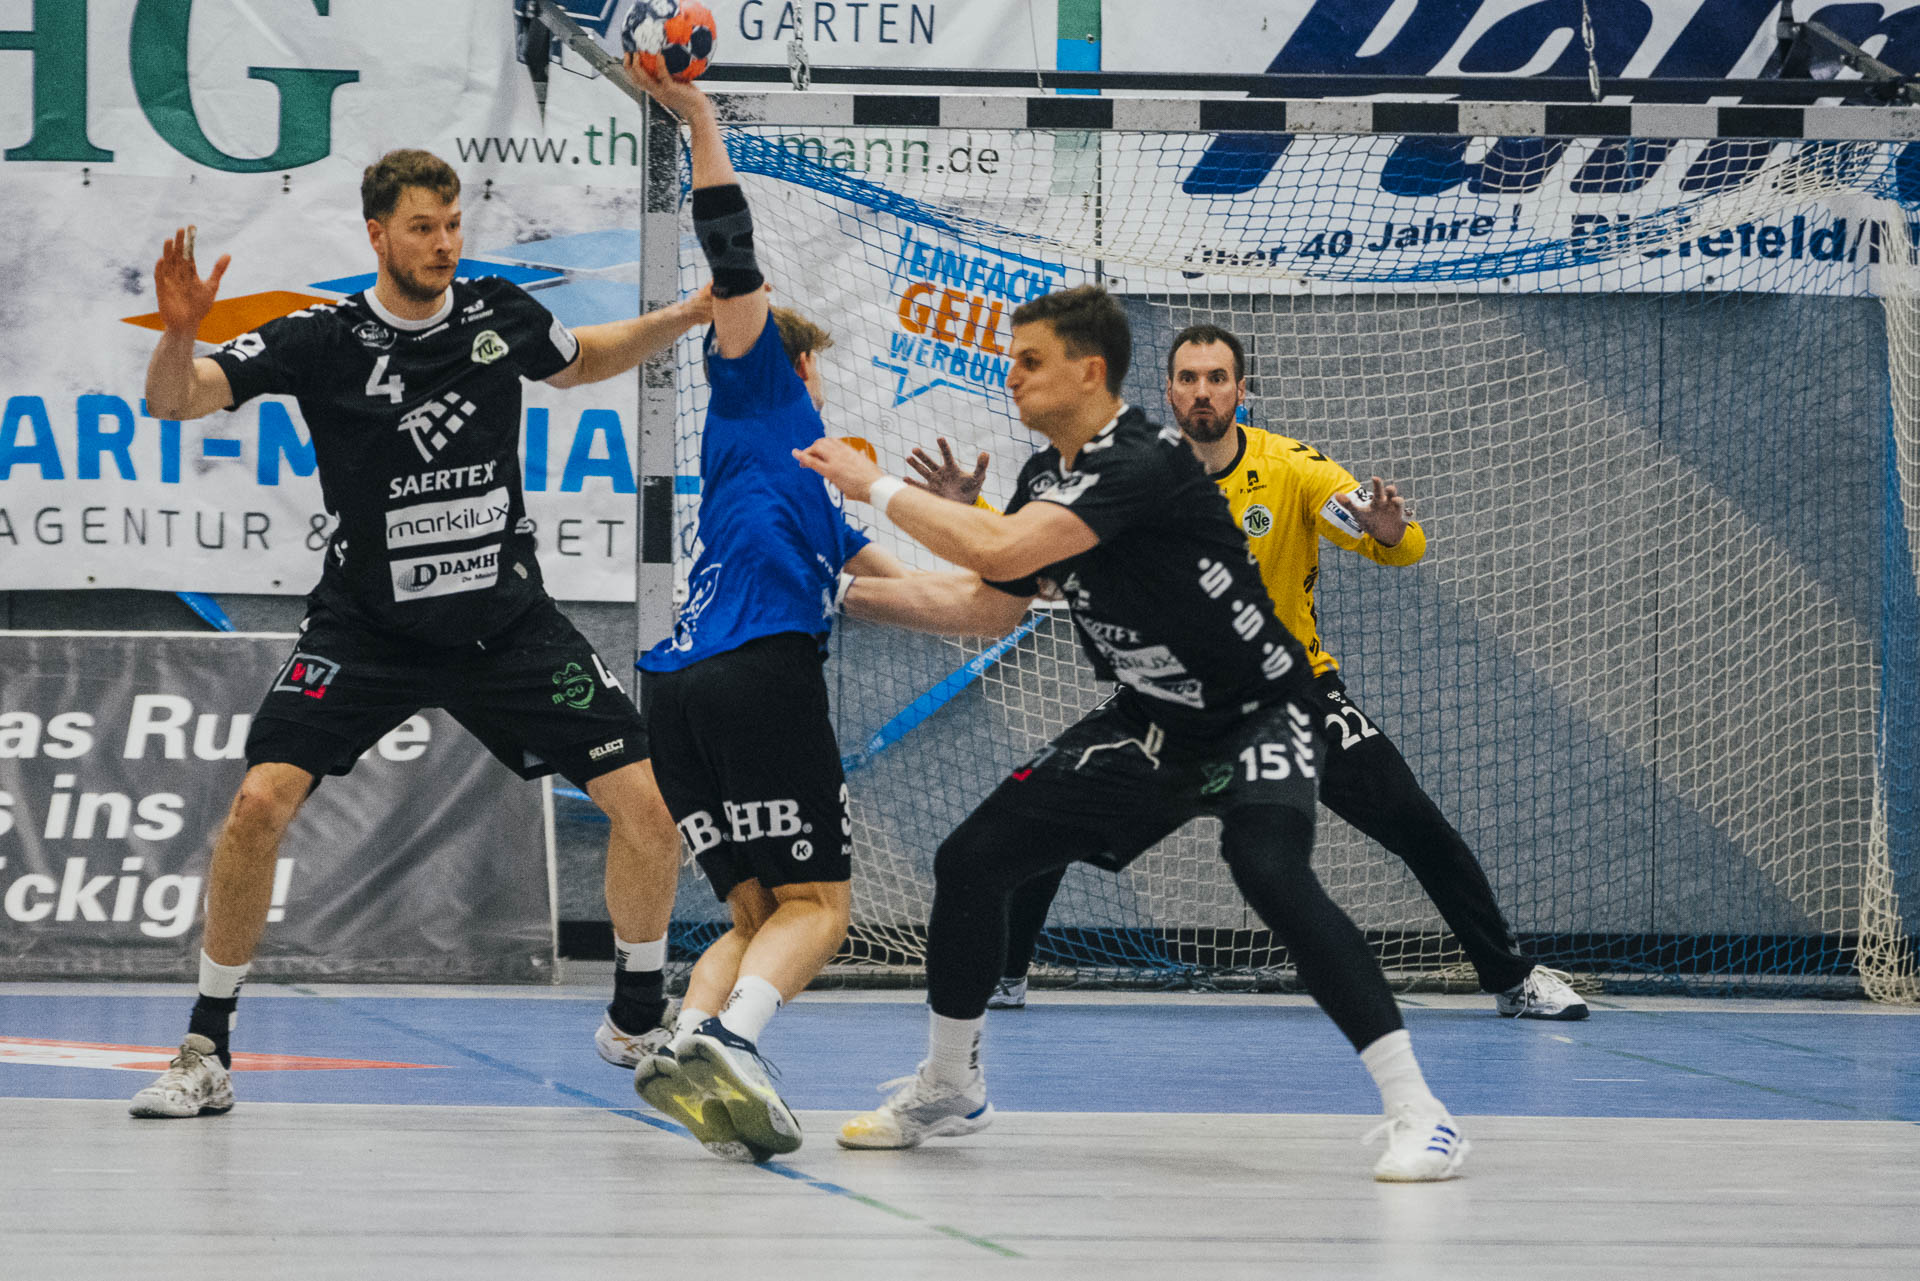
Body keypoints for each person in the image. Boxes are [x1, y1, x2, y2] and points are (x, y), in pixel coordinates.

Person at [797, 285, 1470, 1182]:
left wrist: (870, 484)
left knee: (1269, 870)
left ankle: (1422, 1113)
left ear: (1089, 371)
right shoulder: (1044, 478)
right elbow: (989, 605)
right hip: (1151, 722)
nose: (1012, 375)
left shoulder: (1143, 459)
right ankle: (951, 1083)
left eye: (1030, 360)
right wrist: (841, 593)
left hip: (1258, 710)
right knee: (973, 859)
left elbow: (997, 552)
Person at [128, 148, 707, 1119]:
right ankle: (206, 1047)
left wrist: (684, 316)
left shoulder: (496, 313)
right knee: (258, 805)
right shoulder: (320, 338)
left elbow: (582, 361)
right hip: (366, 629)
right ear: (378, 235)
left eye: (452, 225)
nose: (443, 244)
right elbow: (172, 400)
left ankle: (635, 1018)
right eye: (423, 228)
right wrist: (182, 333)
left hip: (504, 624)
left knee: (649, 808)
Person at [923, 325, 1585, 1021]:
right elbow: (1032, 554)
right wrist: (973, 515)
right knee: (1045, 817)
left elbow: (1395, 541)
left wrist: (1390, 532)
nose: (1202, 391)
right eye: (1188, 378)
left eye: (1217, 378)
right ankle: (1003, 975)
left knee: (1414, 821)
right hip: (1167, 703)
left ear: (1241, 390)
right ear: (1169, 391)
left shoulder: (1294, 468)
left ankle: (1512, 979)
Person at [620, 60, 911, 1163]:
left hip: (678, 696)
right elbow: (731, 249)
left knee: (755, 916)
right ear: (790, 365)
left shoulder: (809, 498)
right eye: (819, 372)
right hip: (756, 675)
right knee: (822, 909)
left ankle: (686, 1041)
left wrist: (997, 543)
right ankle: (734, 1041)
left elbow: (906, 587)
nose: (824, 391)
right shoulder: (759, 390)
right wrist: (698, 115)